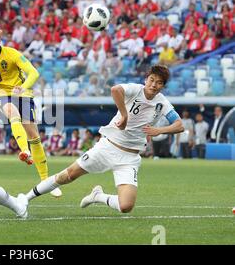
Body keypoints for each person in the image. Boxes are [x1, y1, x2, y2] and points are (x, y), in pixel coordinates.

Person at [20, 65, 184, 214]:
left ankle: (98, 196)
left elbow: (179, 125)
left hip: (130, 158)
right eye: (152, 80)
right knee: (67, 175)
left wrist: (158, 130)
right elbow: (115, 90)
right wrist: (124, 115)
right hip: (107, 148)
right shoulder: (135, 89)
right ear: (146, 79)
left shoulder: (162, 103)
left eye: (159, 82)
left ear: (163, 86)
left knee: (126, 206)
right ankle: (24, 199)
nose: (154, 85)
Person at [0, 26, 62, 197]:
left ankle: (46, 181)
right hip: (1, 94)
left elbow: (34, 73)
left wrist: (22, 87)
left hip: (22, 92)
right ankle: (25, 150)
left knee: (34, 135)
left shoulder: (12, 53)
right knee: (11, 111)